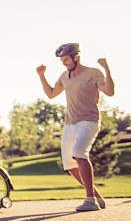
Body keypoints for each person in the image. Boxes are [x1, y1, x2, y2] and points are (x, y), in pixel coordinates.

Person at [36, 43, 115, 211]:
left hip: (89, 121)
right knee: (69, 164)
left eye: (66, 59)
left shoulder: (93, 73)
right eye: (62, 60)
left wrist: (106, 68)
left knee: (79, 154)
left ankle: (90, 200)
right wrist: (41, 76)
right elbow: (51, 94)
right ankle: (94, 196)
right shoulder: (65, 76)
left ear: (76, 57)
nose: (64, 63)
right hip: (70, 124)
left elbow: (109, 91)